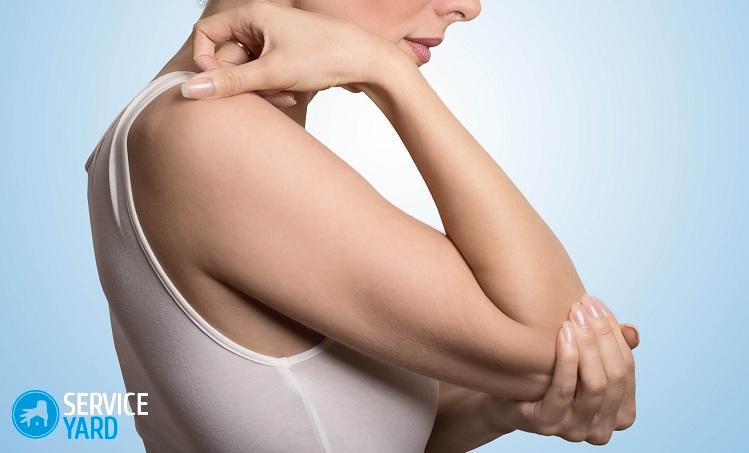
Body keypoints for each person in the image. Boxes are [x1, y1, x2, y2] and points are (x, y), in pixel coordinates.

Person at [84, 1, 639, 451]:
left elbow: (324, 429)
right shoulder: (210, 135)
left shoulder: (173, 127)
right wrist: (383, 70)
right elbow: (560, 342)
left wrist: (497, 408)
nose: (468, 7)